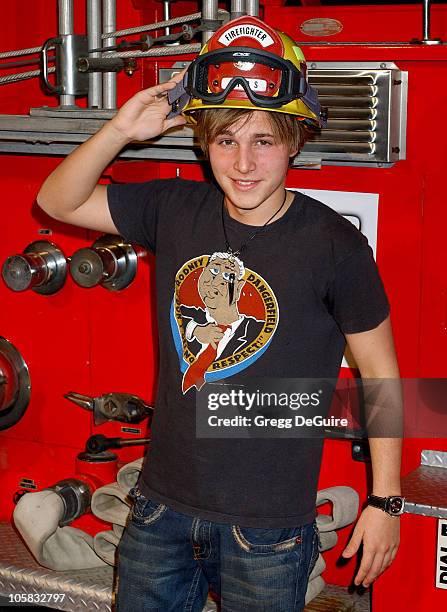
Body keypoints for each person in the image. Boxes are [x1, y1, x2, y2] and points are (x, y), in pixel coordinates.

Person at [37, 15, 403, 612]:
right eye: (225, 139)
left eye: (263, 140)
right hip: (158, 511)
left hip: (268, 530)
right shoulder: (174, 207)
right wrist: (120, 131)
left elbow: (380, 377)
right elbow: (56, 200)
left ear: (295, 141)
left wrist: (385, 502)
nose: (244, 163)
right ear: (203, 143)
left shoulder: (333, 243)